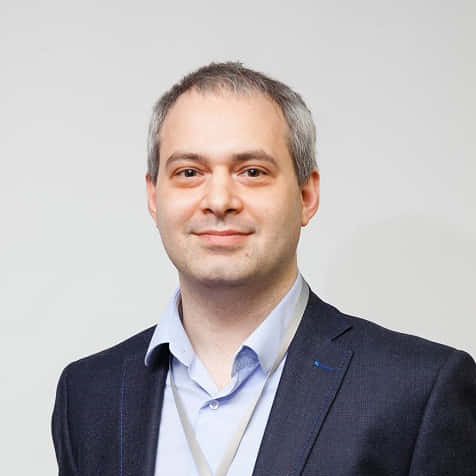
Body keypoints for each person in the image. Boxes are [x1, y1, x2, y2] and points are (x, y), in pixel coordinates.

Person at [51, 62, 476, 476]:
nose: (219, 201)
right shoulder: (88, 394)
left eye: (252, 171)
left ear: (307, 196)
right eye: (189, 172)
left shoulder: (419, 390)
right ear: (153, 196)